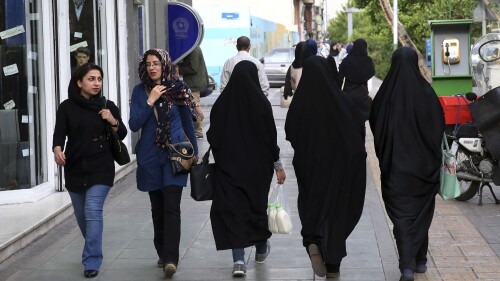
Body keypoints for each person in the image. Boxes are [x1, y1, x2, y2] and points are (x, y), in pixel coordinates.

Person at [285, 56, 367, 279]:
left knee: (312, 206)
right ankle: (333, 267)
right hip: (338, 169)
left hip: (308, 168)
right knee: (336, 213)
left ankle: (312, 241)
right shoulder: (341, 100)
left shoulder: (300, 103)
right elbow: (356, 136)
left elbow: (289, 132)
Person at [369, 47, 445, 281]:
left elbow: (376, 129)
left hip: (395, 170)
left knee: (402, 217)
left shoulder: (384, 96)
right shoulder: (427, 94)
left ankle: (408, 267)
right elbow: (438, 129)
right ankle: (419, 261)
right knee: (421, 213)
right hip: (424, 170)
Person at [207, 60, 286, 277]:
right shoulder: (261, 104)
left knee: (234, 211)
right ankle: (261, 248)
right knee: (255, 208)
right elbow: (271, 137)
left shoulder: (222, 104)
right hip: (258, 171)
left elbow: (212, 136)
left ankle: (239, 261)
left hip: (229, 169)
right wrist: (277, 165)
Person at [53, 63, 127, 279]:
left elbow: (121, 132)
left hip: (101, 165)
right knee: (82, 215)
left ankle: (92, 261)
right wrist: (57, 149)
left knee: (93, 210)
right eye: (91, 79)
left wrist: (112, 120)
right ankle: (92, 246)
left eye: (99, 79)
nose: (96, 83)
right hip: (75, 165)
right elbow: (59, 133)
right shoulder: (66, 107)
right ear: (79, 82)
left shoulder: (107, 105)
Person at [128, 48, 198, 278]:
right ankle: (161, 250)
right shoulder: (140, 92)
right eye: (148, 64)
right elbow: (134, 124)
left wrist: (194, 154)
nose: (152, 67)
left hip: (175, 157)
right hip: (150, 157)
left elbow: (188, 124)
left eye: (156, 63)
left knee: (172, 207)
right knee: (157, 209)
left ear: (165, 65)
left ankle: (171, 259)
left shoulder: (179, 90)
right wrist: (150, 100)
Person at [339, 38, 375, 132]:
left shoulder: (347, 60)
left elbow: (340, 78)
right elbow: (371, 72)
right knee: (361, 124)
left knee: (348, 125)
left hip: (348, 95)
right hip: (362, 95)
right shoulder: (368, 61)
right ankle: (361, 144)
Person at [177, 46, 208, 139]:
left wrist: (178, 68)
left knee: (195, 106)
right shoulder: (193, 48)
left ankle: (198, 131)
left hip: (193, 83)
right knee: (194, 105)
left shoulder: (194, 49)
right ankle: (197, 131)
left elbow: (193, 67)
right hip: (192, 82)